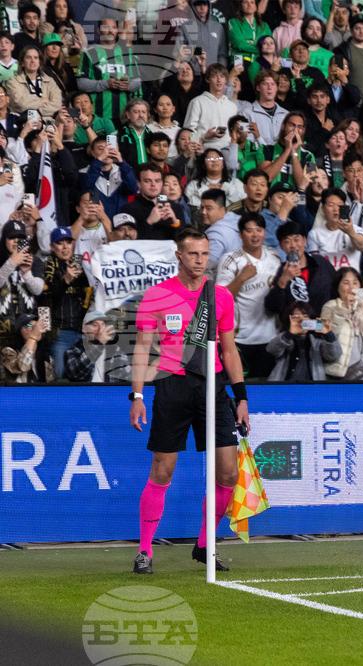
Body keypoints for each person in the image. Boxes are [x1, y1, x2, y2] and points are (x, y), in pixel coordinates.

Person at [129, 229, 249, 575]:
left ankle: (204, 544)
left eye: (205, 254)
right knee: (162, 470)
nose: (200, 260)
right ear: (178, 255)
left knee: (227, 474)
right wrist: (137, 395)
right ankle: (145, 551)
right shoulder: (156, 295)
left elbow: (229, 350)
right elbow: (141, 348)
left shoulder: (220, 297)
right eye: (194, 254)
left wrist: (240, 397)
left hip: (213, 388)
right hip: (172, 386)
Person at [216, 213, 283, 380]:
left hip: (269, 338)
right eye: (249, 231)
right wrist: (241, 278)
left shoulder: (274, 256)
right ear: (240, 234)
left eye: (259, 230)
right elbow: (221, 299)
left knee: (265, 389)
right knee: (240, 387)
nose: (255, 235)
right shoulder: (230, 260)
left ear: (265, 232)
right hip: (239, 339)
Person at [320, 266, 363, 379]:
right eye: (346, 283)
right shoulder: (330, 306)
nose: (351, 287)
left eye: (355, 283)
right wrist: (343, 308)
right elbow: (330, 334)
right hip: (342, 371)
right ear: (337, 286)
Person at [42, 226, 87, 379]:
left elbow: (88, 298)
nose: (65, 246)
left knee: (83, 377)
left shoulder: (79, 268)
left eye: (68, 242)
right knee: (59, 378)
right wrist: (66, 279)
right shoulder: (46, 267)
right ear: (52, 246)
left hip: (80, 332)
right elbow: (46, 299)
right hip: (60, 333)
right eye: (60, 243)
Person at [264, 220, 337, 316]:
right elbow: (272, 308)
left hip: (321, 325)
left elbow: (336, 289)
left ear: (304, 241)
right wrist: (282, 282)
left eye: (296, 240)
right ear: (281, 246)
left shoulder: (321, 263)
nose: (293, 245)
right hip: (296, 327)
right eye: (287, 241)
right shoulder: (281, 271)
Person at [266, 301, 340, 381]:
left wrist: (329, 335)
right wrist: (289, 335)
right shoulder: (285, 337)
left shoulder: (318, 340)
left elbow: (333, 356)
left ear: (311, 319)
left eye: (305, 316)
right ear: (289, 320)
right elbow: (271, 350)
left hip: (312, 387)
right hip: (285, 385)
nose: (301, 320)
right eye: (296, 317)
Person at [121, 164, 187, 241]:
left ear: (162, 183)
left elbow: (184, 243)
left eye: (157, 181)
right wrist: (149, 222)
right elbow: (128, 242)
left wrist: (175, 223)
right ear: (139, 184)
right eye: (147, 181)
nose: (153, 184)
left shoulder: (176, 208)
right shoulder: (129, 209)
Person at [63, 309, 131, 383]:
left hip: (110, 393)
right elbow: (76, 374)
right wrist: (99, 344)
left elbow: (127, 380)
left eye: (103, 325)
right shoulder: (73, 351)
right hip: (86, 394)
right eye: (95, 325)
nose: (100, 330)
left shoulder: (115, 351)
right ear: (84, 328)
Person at [1, 311, 51, 382]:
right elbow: (22, 367)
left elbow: (51, 383)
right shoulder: (8, 351)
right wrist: (33, 337)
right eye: (29, 326)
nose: (34, 329)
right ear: (19, 330)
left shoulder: (46, 356)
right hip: (17, 392)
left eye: (36, 326)